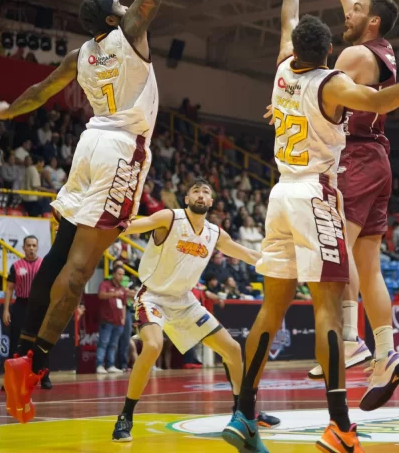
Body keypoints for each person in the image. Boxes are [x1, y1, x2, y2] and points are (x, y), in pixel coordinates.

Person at [223, 0, 399, 453]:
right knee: (328, 308)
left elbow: (287, 19)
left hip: (278, 195)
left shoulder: (281, 69)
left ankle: (243, 413)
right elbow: (383, 99)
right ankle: (340, 422)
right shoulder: (333, 84)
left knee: (270, 310)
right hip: (315, 193)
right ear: (329, 55)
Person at [0, 0, 169, 425]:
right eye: (122, 4)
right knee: (81, 267)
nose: (128, 5)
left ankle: (23, 348)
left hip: (88, 147)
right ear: (115, 16)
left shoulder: (81, 54)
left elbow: (39, 92)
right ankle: (33, 363)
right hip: (120, 150)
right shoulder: (130, 32)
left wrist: (6, 110)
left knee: (57, 255)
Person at [308, 0, 399, 406]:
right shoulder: (378, 47)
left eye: (356, 10)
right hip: (379, 161)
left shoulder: (353, 57)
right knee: (370, 266)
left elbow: (324, 99)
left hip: (356, 159)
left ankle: (349, 339)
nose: (346, 11)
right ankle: (386, 354)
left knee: (336, 252)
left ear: (372, 21)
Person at [110, 179, 279, 442]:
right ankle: (125, 416)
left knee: (233, 349)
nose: (201, 195)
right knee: (152, 346)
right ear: (186, 199)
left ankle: (244, 413)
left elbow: (247, 254)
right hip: (153, 296)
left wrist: (281, 263)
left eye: (206, 192)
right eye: (195, 191)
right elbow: (130, 227)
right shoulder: (169, 218)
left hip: (185, 302)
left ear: (211, 201)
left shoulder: (214, 233)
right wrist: (94, 225)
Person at [2, 236, 48, 388]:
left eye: (34, 245)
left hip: (39, 305)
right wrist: (6, 310)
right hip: (21, 305)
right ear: (23, 248)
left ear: (37, 247)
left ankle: (44, 377)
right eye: (28, 245)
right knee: (16, 342)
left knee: (42, 342)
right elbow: (9, 289)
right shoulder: (16, 266)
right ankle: (11, 378)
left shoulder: (44, 265)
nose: (31, 248)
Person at [95, 267, 129, 375]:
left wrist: (123, 319)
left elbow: (124, 305)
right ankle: (99, 365)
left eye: (122, 274)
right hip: (107, 320)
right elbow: (101, 295)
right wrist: (114, 294)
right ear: (113, 274)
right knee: (103, 343)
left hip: (118, 322)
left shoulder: (122, 289)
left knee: (114, 345)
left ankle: (110, 365)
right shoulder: (105, 284)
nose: (121, 276)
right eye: (119, 274)